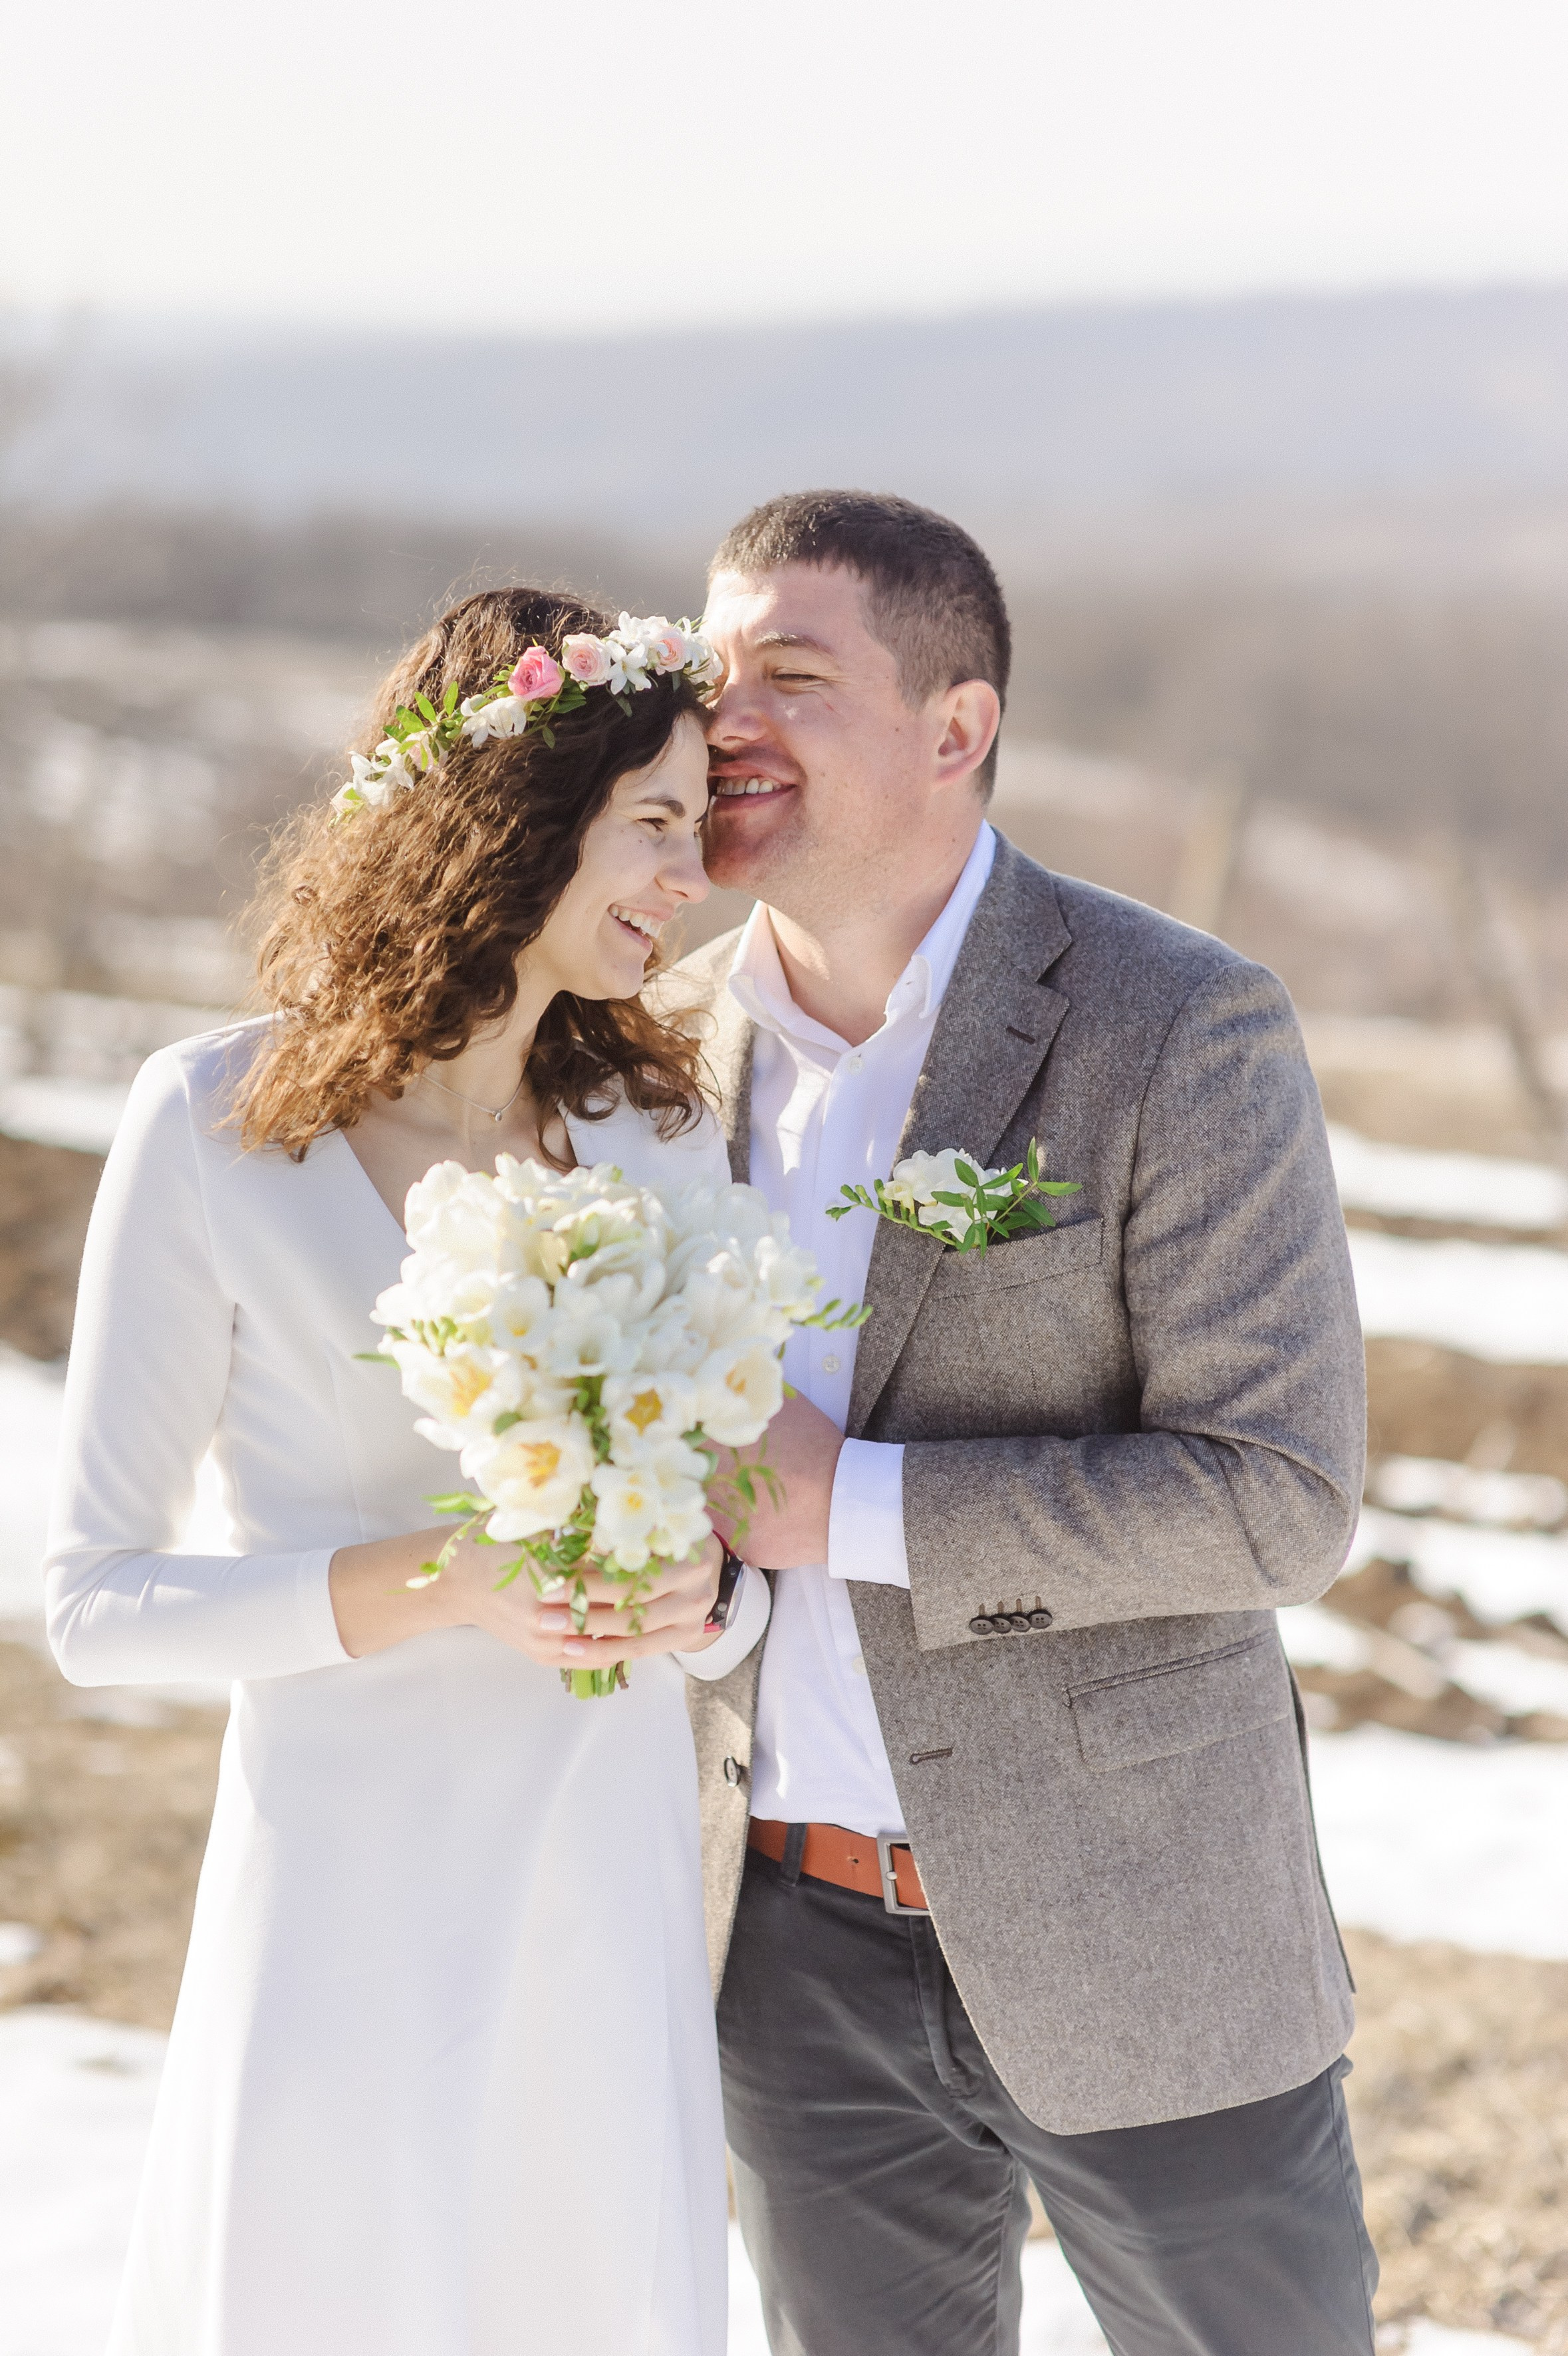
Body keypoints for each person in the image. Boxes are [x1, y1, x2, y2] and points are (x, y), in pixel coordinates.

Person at [666, 492, 1378, 2356]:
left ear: (955, 726)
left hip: (1141, 1927)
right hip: (783, 1950)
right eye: (713, 671)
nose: (726, 718)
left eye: (793, 678)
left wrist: (861, 1507)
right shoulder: (659, 1064)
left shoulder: (1179, 1025)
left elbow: (1279, 1500)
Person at [44, 587, 769, 2356]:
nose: (696, 878)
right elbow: (92, 1607)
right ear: (514, 816)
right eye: (657, 825)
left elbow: (727, 1560)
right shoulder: (214, 1128)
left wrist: (705, 1599)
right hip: (341, 1894)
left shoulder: (651, 1142)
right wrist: (440, 1587)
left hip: (597, 1890)